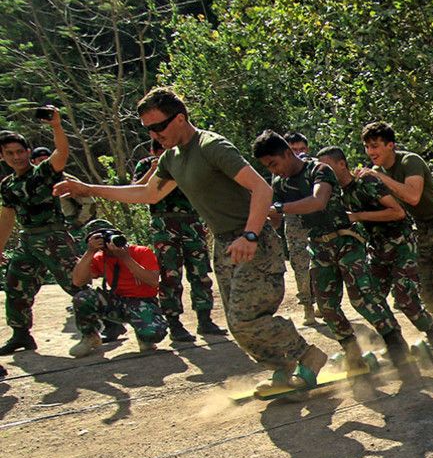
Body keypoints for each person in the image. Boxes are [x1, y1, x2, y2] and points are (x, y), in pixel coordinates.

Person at [54, 87, 328, 395]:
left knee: (244, 319)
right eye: (148, 129)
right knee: (238, 325)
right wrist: (88, 189)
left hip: (253, 241)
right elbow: (147, 194)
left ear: (181, 119)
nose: (154, 134)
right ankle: (283, 367)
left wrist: (250, 235)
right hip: (224, 245)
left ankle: (308, 355)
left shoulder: (212, 146)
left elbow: (262, 190)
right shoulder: (171, 158)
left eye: (159, 126)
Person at [254, 132, 410, 368]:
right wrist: (263, 217)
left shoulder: (319, 170)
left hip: (346, 242)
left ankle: (395, 343)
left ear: (288, 153)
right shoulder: (279, 183)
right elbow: (276, 220)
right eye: (268, 167)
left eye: (274, 164)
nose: (274, 171)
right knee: (326, 307)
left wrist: (279, 207)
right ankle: (352, 351)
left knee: (363, 298)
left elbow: (318, 201)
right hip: (318, 246)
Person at [359, 121, 433, 344]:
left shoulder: (409, 161)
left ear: (390, 145)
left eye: (375, 146)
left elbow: (412, 196)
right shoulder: (376, 172)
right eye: (367, 147)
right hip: (421, 230)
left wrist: (379, 177)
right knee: (425, 289)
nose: (370, 152)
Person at [315, 146, 433, 351]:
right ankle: (396, 342)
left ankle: (432, 333)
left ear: (342, 164)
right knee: (371, 297)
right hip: (377, 249)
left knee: (404, 297)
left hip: (401, 243)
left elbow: (398, 212)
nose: (321, 172)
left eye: (326, 166)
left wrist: (358, 216)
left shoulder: (365, 182)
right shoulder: (338, 194)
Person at [0, 108, 83, 356]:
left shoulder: (43, 173)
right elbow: (7, 217)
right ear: (2, 156)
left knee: (76, 283)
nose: (16, 157)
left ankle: (108, 322)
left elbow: (61, 153)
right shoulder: (8, 185)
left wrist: (56, 126)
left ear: (28, 152)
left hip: (53, 237)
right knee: (15, 287)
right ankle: (21, 334)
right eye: (10, 153)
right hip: (27, 240)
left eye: (20, 152)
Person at [133, 140, 226, 342]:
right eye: (160, 151)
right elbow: (137, 190)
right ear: (153, 151)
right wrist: (153, 171)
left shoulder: (185, 163)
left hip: (191, 222)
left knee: (200, 272)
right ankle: (174, 323)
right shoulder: (146, 165)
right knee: (170, 275)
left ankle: (205, 319)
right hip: (164, 224)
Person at [68, 227, 169, 357]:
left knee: (153, 333)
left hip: (143, 302)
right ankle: (90, 336)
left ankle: (144, 337)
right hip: (116, 302)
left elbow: (153, 281)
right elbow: (77, 281)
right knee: (82, 298)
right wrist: (90, 252)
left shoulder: (141, 252)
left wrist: (125, 258)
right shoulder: (100, 257)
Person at [280, 131, 320, 326]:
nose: (299, 153)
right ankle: (307, 306)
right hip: (294, 224)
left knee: (321, 264)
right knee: (300, 266)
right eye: (293, 150)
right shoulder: (280, 172)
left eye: (302, 149)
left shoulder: (316, 168)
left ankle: (323, 301)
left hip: (316, 222)